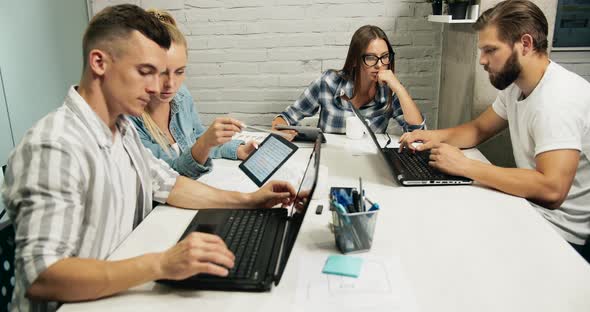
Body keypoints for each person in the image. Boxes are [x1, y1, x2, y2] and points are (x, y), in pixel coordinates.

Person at [1, 5, 295, 311]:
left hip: (114, 292)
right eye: (145, 72)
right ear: (99, 62)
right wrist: (162, 264)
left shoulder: (121, 128)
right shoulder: (54, 146)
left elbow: (171, 184)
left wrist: (250, 201)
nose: (157, 87)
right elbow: (43, 277)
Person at [399, 0, 590, 261]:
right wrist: (432, 136)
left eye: (490, 50)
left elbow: (552, 190)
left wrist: (465, 167)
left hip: (562, 234)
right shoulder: (516, 85)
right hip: (532, 210)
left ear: (525, 44)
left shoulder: (557, 101)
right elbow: (478, 129)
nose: (482, 60)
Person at [129, 10, 257, 179]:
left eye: (179, 71)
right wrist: (205, 142)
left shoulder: (181, 95)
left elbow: (196, 138)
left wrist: (238, 149)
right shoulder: (128, 119)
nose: (171, 84)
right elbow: (170, 176)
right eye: (161, 72)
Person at [272, 25, 425, 136]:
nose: (380, 65)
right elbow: (285, 118)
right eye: (371, 57)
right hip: (329, 162)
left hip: (370, 165)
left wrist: (398, 87)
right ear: (354, 61)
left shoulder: (389, 90)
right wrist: (282, 131)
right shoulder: (328, 82)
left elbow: (419, 133)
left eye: (385, 56)